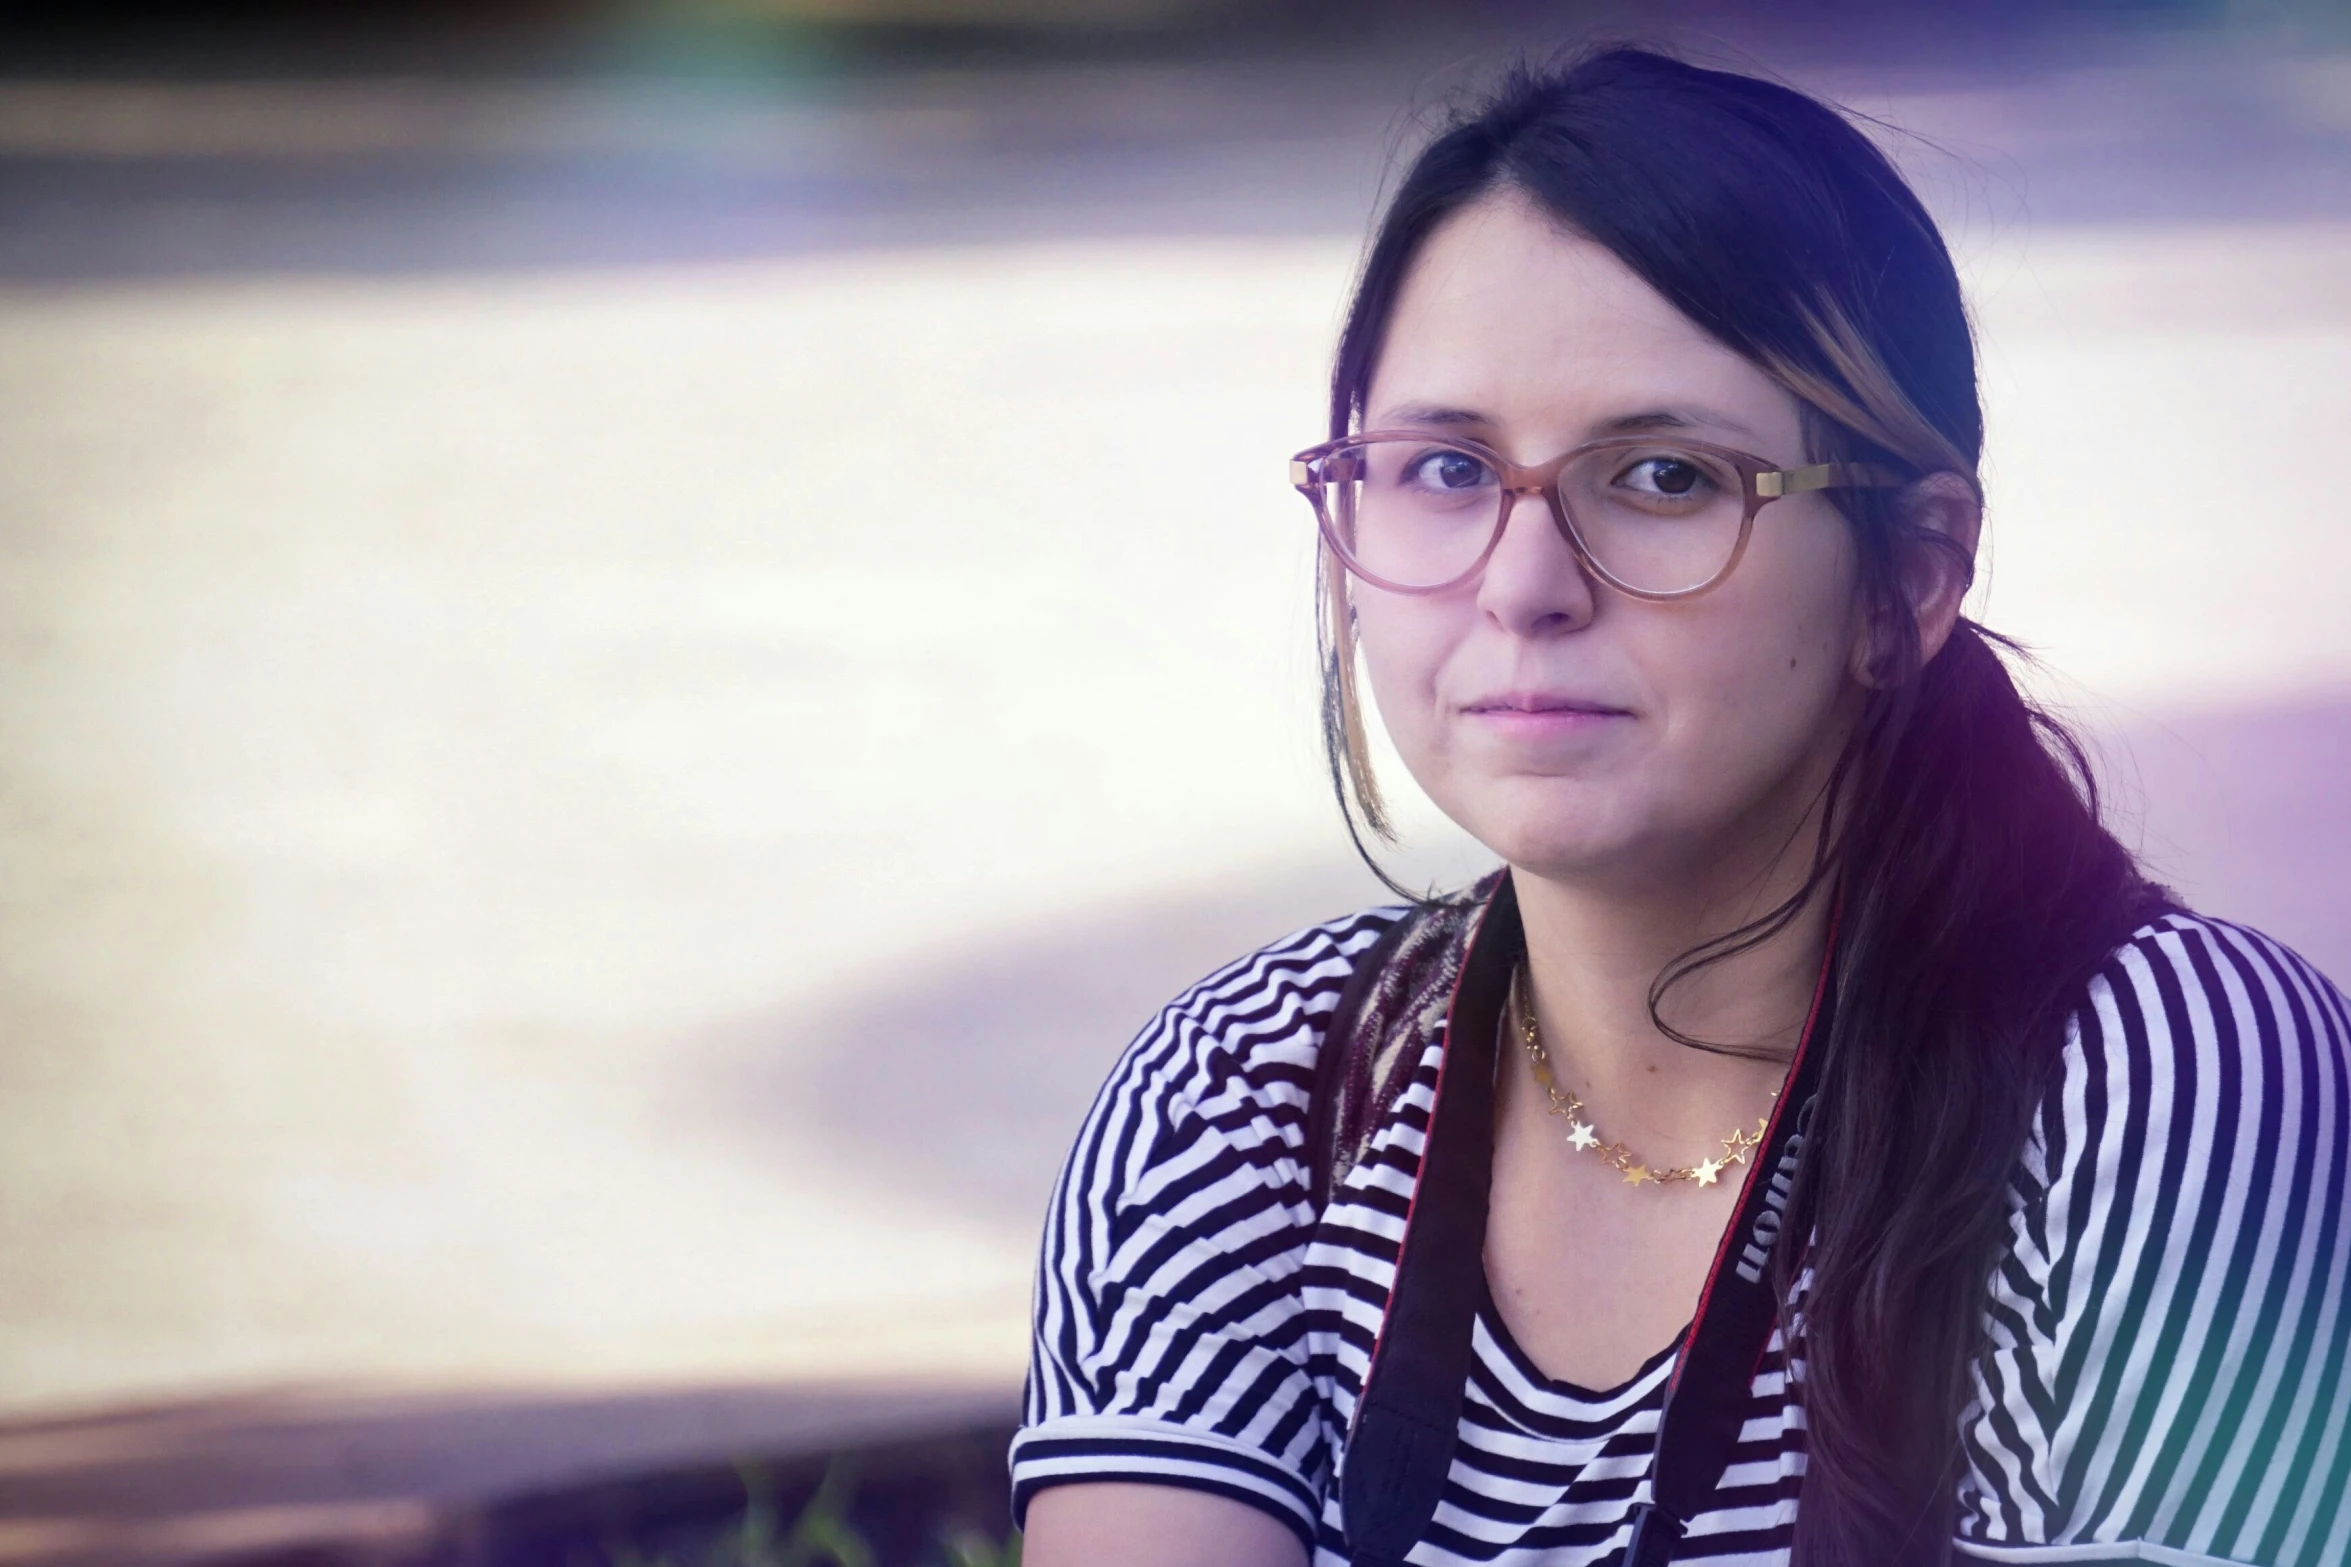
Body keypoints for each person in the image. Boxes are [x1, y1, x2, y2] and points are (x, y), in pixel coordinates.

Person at [1008, 47, 2351, 1567]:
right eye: (1443, 466)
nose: (1522, 587)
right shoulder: (1245, 1099)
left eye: (1658, 476)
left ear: (1907, 577)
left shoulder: (2151, 1073)